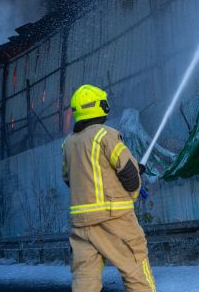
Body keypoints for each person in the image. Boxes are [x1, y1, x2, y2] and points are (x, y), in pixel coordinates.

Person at [62, 84, 156, 292]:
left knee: (85, 281)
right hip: (115, 219)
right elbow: (130, 175)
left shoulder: (69, 143)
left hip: (81, 225)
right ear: (99, 107)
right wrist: (130, 196)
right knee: (136, 271)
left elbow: (71, 178)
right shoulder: (106, 135)